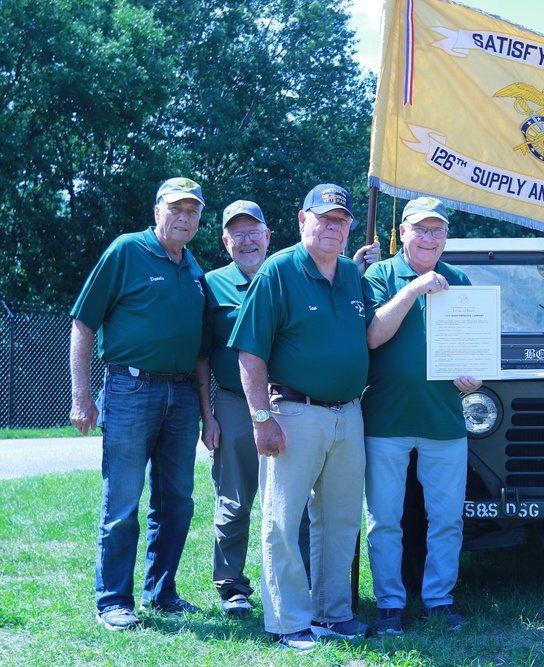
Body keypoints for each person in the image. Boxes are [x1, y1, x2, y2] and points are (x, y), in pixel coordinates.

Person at [228, 183, 371, 652]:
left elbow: (369, 335)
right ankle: (288, 620)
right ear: (302, 220)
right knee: (282, 521)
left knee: (342, 518)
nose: (333, 227)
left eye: (341, 220)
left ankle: (333, 613)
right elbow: (250, 350)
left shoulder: (352, 275)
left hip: (348, 414)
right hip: (294, 411)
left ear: (350, 228)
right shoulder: (278, 271)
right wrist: (261, 417)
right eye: (324, 218)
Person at [69, 177, 213, 632]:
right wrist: (81, 396)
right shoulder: (126, 250)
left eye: (192, 211)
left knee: (177, 501)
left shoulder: (193, 268)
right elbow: (84, 322)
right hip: (129, 390)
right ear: (157, 211)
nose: (184, 217)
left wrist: (208, 412)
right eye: (176, 208)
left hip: (183, 395)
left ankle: (162, 591)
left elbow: (203, 351)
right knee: (123, 500)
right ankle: (113, 599)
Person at [362, 196, 481, 636]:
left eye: (438, 230)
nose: (429, 237)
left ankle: (439, 600)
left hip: (443, 421)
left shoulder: (461, 280)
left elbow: (474, 353)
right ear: (403, 233)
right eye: (421, 229)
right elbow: (373, 337)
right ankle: (390, 604)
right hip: (386, 421)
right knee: (384, 520)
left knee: (447, 518)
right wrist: (413, 287)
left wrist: (476, 379)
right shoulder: (379, 274)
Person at [201, 200, 278, 617]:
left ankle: (288, 579)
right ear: (226, 241)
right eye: (238, 233)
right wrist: (207, 415)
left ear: (268, 236)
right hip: (233, 403)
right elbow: (200, 356)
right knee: (233, 500)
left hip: (287, 401)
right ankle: (232, 586)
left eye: (254, 232)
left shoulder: (285, 275)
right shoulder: (210, 285)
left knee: (291, 500)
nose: (247, 240)